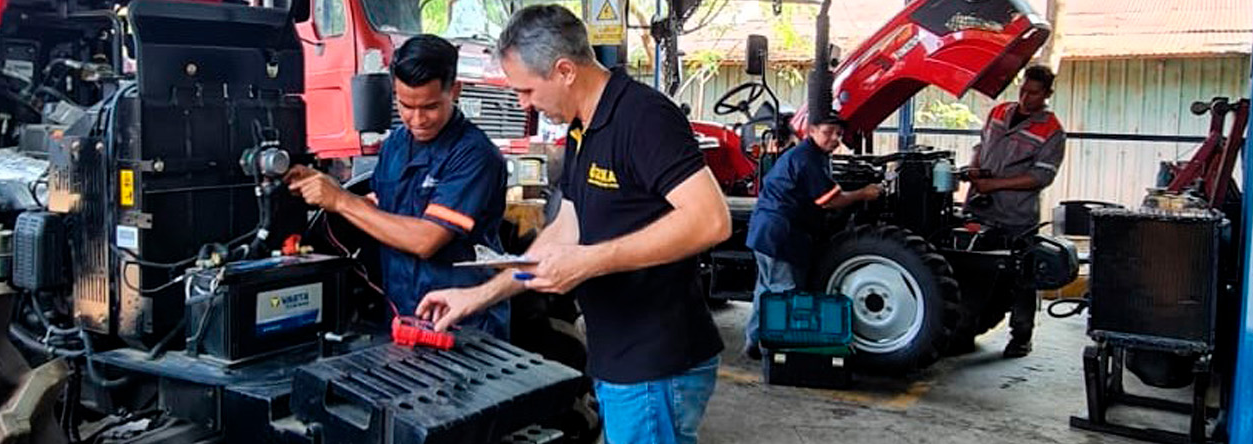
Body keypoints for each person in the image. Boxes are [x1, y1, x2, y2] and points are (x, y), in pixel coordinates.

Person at [413, 6, 732, 444]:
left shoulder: (643, 117)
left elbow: (711, 220)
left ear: (564, 71)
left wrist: (589, 261)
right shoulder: (582, 130)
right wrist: (478, 296)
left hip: (655, 363)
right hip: (618, 356)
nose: (524, 104)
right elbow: (566, 230)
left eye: (527, 90)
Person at [285, 35, 510, 337]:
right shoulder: (396, 144)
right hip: (401, 314)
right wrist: (320, 187)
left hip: (463, 323)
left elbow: (426, 240)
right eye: (405, 105)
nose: (417, 119)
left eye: (430, 106)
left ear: (454, 91)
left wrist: (340, 200)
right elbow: (379, 208)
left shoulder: (474, 155)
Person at [743, 115, 883, 360]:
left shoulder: (811, 156)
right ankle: (777, 354)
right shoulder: (807, 159)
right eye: (828, 132)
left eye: (839, 134)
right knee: (785, 294)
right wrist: (863, 193)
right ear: (812, 131)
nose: (835, 139)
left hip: (765, 232)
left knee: (766, 290)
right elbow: (829, 201)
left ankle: (754, 343)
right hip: (781, 234)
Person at [963, 64, 1065, 358]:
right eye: (1023, 91)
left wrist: (994, 184)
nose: (1025, 98)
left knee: (1021, 277)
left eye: (1034, 93)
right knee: (974, 273)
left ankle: (1021, 336)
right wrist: (974, 167)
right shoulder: (999, 112)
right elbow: (981, 145)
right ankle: (967, 329)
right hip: (979, 208)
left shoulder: (1052, 131)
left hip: (1016, 217)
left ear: (1047, 94)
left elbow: (1041, 177)